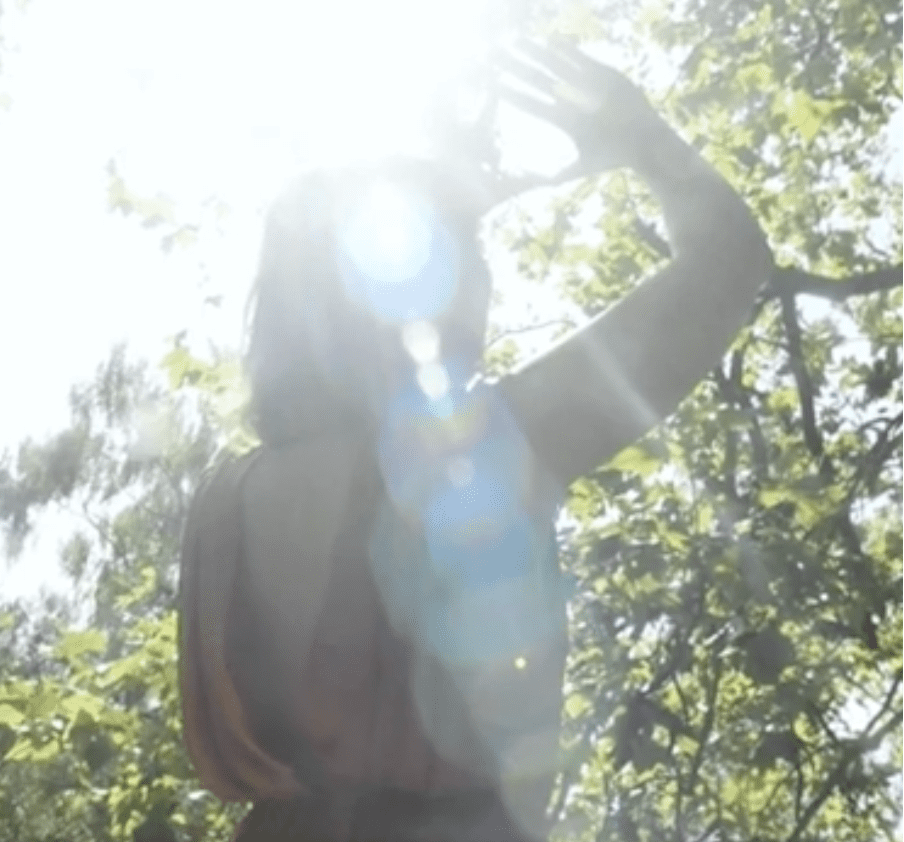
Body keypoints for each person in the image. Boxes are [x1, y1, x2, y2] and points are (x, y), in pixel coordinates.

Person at [178, 43, 772, 842]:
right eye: (466, 259)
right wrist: (642, 138)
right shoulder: (475, 456)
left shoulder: (221, 508)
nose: (484, 288)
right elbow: (728, 263)